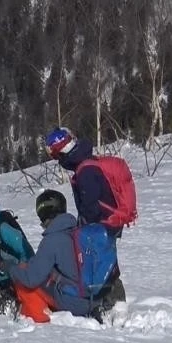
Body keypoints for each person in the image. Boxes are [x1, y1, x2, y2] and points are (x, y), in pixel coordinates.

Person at [4, 189, 122, 323]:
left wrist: (10, 268)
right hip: (96, 298)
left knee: (23, 275)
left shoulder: (52, 239)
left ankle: (37, 319)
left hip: (73, 303)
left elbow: (31, 279)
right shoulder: (79, 230)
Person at [44, 126, 127, 302]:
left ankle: (103, 299)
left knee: (99, 263)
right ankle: (108, 297)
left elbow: (91, 202)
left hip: (103, 223)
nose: (55, 159)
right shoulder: (86, 163)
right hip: (109, 220)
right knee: (104, 261)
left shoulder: (85, 170)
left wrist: (85, 224)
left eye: (54, 154)